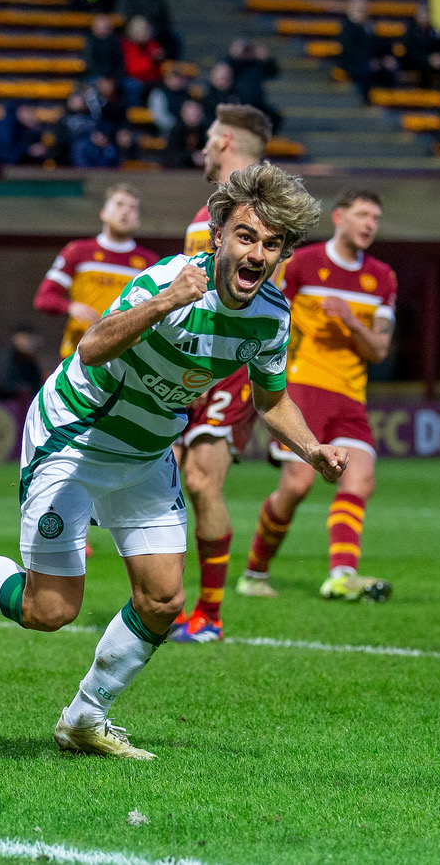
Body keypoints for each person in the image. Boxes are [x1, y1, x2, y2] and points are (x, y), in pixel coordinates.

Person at [0, 164, 340, 760]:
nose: (257, 254)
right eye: (247, 237)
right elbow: (91, 348)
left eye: (272, 245)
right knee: (51, 610)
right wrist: (166, 302)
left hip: (145, 455)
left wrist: (312, 447)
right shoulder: (168, 281)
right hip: (75, 437)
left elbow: (271, 400)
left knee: (165, 600)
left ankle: (84, 719)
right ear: (219, 234)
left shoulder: (271, 315)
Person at [241, 189, 397, 603]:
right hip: (304, 387)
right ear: (339, 217)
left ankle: (343, 574)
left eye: (375, 218)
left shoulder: (381, 277)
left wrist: (349, 321)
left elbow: (379, 350)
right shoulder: (303, 263)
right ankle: (254, 571)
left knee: (360, 479)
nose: (369, 225)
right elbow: (265, 314)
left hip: (350, 394)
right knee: (296, 485)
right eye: (362, 215)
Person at [169, 103, 272, 643]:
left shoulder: (262, 208)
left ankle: (208, 615)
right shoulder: (212, 209)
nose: (203, 147)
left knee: (201, 479)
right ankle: (170, 602)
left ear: (226, 140)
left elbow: (279, 293)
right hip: (187, 360)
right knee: (168, 483)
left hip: (228, 364)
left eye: (210, 137)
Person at [33, 183, 159, 360]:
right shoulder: (78, 251)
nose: (125, 212)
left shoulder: (149, 261)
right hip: (78, 351)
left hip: (126, 356)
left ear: (138, 219)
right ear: (104, 213)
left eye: (132, 208)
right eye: (119, 204)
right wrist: (71, 306)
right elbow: (44, 298)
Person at [0, 327, 44, 402]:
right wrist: (23, 388)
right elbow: (4, 382)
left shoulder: (31, 361)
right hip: (6, 403)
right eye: (26, 340)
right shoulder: (7, 357)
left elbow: (36, 382)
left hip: (24, 403)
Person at [160, 99, 207, 169]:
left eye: (195, 114)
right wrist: (191, 157)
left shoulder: (206, 131)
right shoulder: (176, 131)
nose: (193, 118)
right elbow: (170, 156)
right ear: (183, 115)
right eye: (190, 115)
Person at [82, 13, 125, 83]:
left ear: (110, 29)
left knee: (133, 86)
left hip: (113, 78)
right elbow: (89, 65)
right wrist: (102, 80)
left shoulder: (115, 42)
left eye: (104, 27)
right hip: (95, 77)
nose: (101, 30)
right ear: (93, 28)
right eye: (99, 27)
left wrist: (113, 80)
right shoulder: (89, 43)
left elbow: (120, 64)